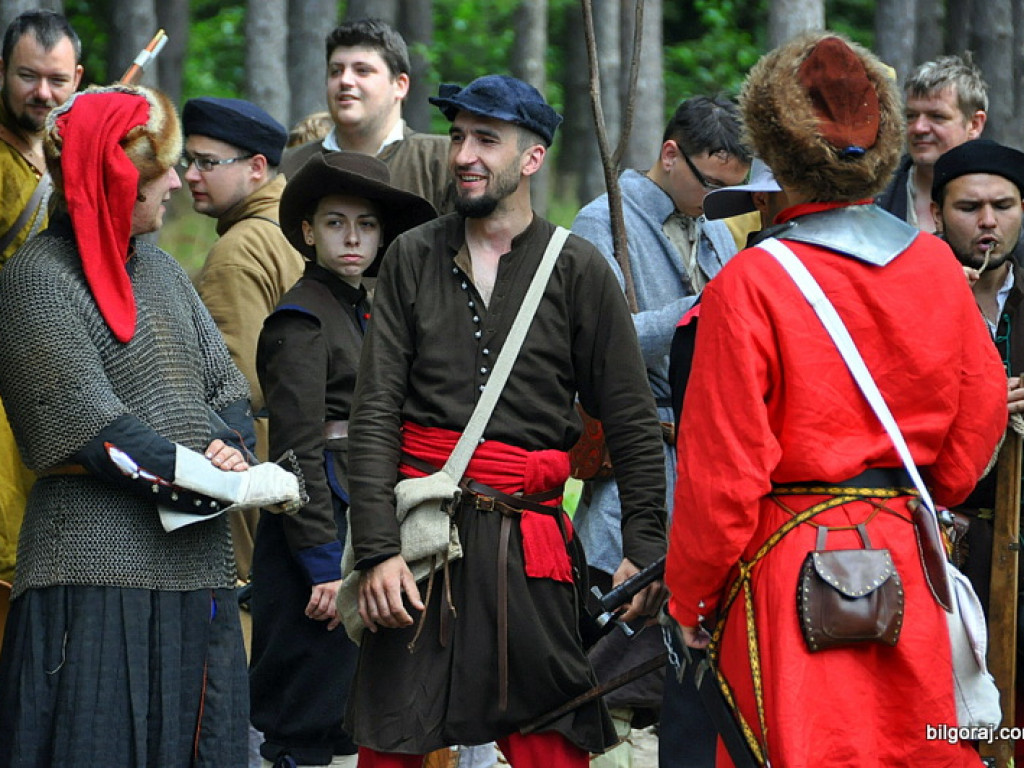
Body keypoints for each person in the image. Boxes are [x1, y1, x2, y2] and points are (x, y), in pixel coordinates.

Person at [665, 33, 1007, 767]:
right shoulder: (940, 272)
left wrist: (690, 599)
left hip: (788, 575)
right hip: (907, 564)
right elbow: (973, 440)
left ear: (773, 151)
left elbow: (722, 477)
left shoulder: (750, 283)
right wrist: (905, 497)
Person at [344, 74, 667, 768]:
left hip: (531, 549)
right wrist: (376, 550)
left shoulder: (579, 269)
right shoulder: (410, 257)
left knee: (550, 742)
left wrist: (643, 545)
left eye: (486, 139)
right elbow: (374, 413)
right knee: (393, 743)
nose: (464, 153)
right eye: (459, 136)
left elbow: (634, 420)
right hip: (422, 547)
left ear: (532, 157)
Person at [0, 84, 302, 767]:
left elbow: (225, 386)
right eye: (158, 170)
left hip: (193, 565)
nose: (177, 181)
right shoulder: (37, 280)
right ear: (112, 183)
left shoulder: (162, 273)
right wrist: (216, 481)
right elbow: (92, 432)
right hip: (90, 561)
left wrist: (228, 447)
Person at [571, 94, 750, 768]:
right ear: (670, 155)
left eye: (736, 190)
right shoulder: (598, 224)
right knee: (607, 661)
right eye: (713, 185)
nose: (723, 201)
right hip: (635, 471)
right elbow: (600, 345)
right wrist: (707, 306)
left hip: (707, 475)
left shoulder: (717, 230)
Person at [250, 152, 435, 768]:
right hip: (319, 538)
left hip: (362, 525)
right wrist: (324, 565)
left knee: (349, 719)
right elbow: (296, 453)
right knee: (306, 718)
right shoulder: (299, 319)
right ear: (308, 232)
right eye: (334, 223)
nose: (352, 237)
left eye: (366, 224)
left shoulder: (363, 310)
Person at [182, 96, 306, 584]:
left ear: (257, 167)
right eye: (189, 161)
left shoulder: (237, 252)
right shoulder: (297, 227)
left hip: (254, 473)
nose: (191, 174)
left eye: (208, 163)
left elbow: (236, 392)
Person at [0, 9, 82, 589]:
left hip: (53, 387)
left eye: (57, 80)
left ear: (78, 77)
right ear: (1, 71)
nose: (43, 93)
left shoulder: (71, 154)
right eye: (29, 76)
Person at [929, 139, 1024, 614]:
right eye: (969, 207)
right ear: (937, 213)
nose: (988, 221)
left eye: (1002, 206)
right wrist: (977, 409)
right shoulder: (911, 298)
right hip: (943, 537)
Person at [281, 18, 454, 214]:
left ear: (400, 85)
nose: (345, 80)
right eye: (336, 71)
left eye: (362, 71)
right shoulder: (291, 166)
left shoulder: (442, 160)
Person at [876, 54, 987, 232]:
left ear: (974, 124)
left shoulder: (1004, 197)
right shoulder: (876, 194)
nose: (919, 128)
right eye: (911, 116)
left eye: (937, 117)